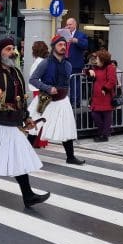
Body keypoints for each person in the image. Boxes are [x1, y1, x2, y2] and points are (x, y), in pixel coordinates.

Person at [0, 38, 50, 207]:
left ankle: (28, 195)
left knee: (18, 157)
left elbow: (20, 98)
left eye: (13, 49)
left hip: (12, 122)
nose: (12, 52)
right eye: (8, 49)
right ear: (0, 52)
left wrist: (26, 116)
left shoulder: (17, 73)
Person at [28, 35, 85, 165]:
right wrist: (47, 88)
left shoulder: (68, 65)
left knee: (67, 127)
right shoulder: (45, 63)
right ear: (54, 47)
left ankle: (70, 157)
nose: (63, 47)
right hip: (44, 99)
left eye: (64, 45)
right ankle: (24, 155)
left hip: (62, 100)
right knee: (34, 127)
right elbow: (33, 79)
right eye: (60, 45)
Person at [86, 49, 118, 142]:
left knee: (106, 116)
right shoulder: (96, 68)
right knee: (95, 114)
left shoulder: (110, 67)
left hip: (106, 96)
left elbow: (112, 80)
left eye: (98, 59)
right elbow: (86, 72)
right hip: (96, 96)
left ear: (103, 59)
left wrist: (105, 88)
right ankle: (103, 132)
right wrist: (89, 72)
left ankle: (104, 135)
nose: (96, 61)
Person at [63, 17, 90, 106]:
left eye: (70, 24)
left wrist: (76, 40)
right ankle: (66, 101)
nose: (68, 26)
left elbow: (85, 45)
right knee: (66, 83)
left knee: (75, 83)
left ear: (75, 25)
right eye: (67, 24)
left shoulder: (80, 35)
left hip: (75, 64)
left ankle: (75, 102)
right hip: (65, 63)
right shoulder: (65, 34)